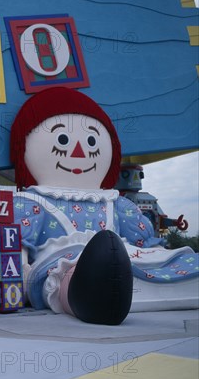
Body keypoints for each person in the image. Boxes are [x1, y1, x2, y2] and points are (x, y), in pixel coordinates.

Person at [10, 86, 198, 325]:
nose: (78, 151)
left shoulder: (116, 203)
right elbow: (15, 251)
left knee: (168, 261)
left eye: (91, 140)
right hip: (63, 262)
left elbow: (145, 244)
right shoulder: (31, 202)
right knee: (73, 273)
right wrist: (19, 280)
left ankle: (181, 284)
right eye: (63, 140)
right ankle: (85, 296)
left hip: (127, 256)